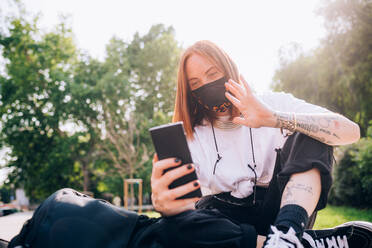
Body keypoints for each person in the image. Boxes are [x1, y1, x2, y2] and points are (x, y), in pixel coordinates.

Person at [8, 41, 372, 248]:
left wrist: (273, 118)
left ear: (231, 68)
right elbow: (186, 218)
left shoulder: (274, 101)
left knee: (314, 130)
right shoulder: (189, 135)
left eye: (214, 74)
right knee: (166, 230)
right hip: (227, 227)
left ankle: (289, 236)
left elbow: (350, 131)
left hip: (282, 211)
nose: (207, 86)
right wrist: (166, 205)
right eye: (197, 82)